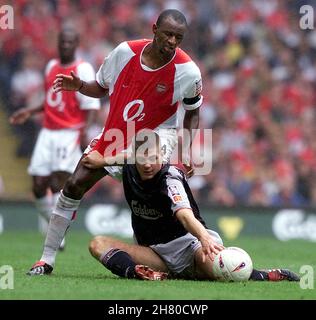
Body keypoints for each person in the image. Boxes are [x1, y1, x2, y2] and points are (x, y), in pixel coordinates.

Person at [27, 9, 203, 275]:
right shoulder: (124, 53)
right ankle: (46, 259)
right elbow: (100, 87)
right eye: (168, 34)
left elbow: (193, 111)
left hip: (157, 135)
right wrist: (80, 86)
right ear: (154, 29)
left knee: (154, 186)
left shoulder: (188, 71)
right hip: (117, 132)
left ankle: (185, 250)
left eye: (178, 37)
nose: (172, 42)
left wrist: (187, 150)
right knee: (74, 184)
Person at [87, 130, 300, 282]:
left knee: (225, 270)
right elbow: (122, 157)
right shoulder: (129, 164)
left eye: (153, 157)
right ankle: (141, 273)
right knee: (98, 244)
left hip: (190, 246)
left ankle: (265, 274)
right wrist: (100, 161)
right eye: (142, 158)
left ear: (162, 154)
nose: (149, 164)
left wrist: (204, 237)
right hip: (153, 253)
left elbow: (185, 215)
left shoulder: (170, 178)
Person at [10, 28, 101, 249]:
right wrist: (30, 111)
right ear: (57, 42)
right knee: (39, 185)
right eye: (62, 41)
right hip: (48, 131)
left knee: (59, 183)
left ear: (76, 43)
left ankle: (55, 233)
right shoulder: (51, 66)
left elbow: (92, 105)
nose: (65, 45)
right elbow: (52, 100)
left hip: (69, 132)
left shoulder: (83, 68)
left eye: (70, 42)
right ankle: (56, 231)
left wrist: (84, 133)